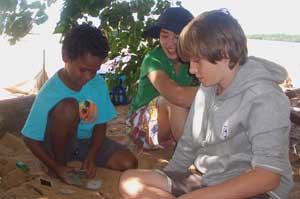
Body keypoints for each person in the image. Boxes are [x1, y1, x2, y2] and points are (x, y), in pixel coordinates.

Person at [119, 9, 294, 199]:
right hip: (211, 180)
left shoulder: (264, 96)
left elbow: (268, 177)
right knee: (130, 181)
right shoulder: (207, 88)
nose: (192, 70)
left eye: (196, 61)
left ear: (224, 53)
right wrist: (169, 175)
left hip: (255, 190)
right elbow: (187, 144)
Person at [21, 24, 138, 184]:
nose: (89, 76)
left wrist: (92, 155)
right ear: (65, 56)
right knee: (69, 107)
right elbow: (29, 138)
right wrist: (57, 167)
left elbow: (100, 124)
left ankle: (79, 159)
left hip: (85, 143)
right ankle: (60, 166)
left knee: (129, 163)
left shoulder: (97, 84)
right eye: (83, 70)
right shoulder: (50, 92)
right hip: (57, 147)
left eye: (94, 71)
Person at [127, 7, 199, 150]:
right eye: (164, 36)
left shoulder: (192, 59)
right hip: (142, 128)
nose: (170, 43)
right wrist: (216, 93)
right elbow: (177, 96)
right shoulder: (153, 60)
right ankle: (189, 156)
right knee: (173, 100)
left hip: (173, 128)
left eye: (177, 37)